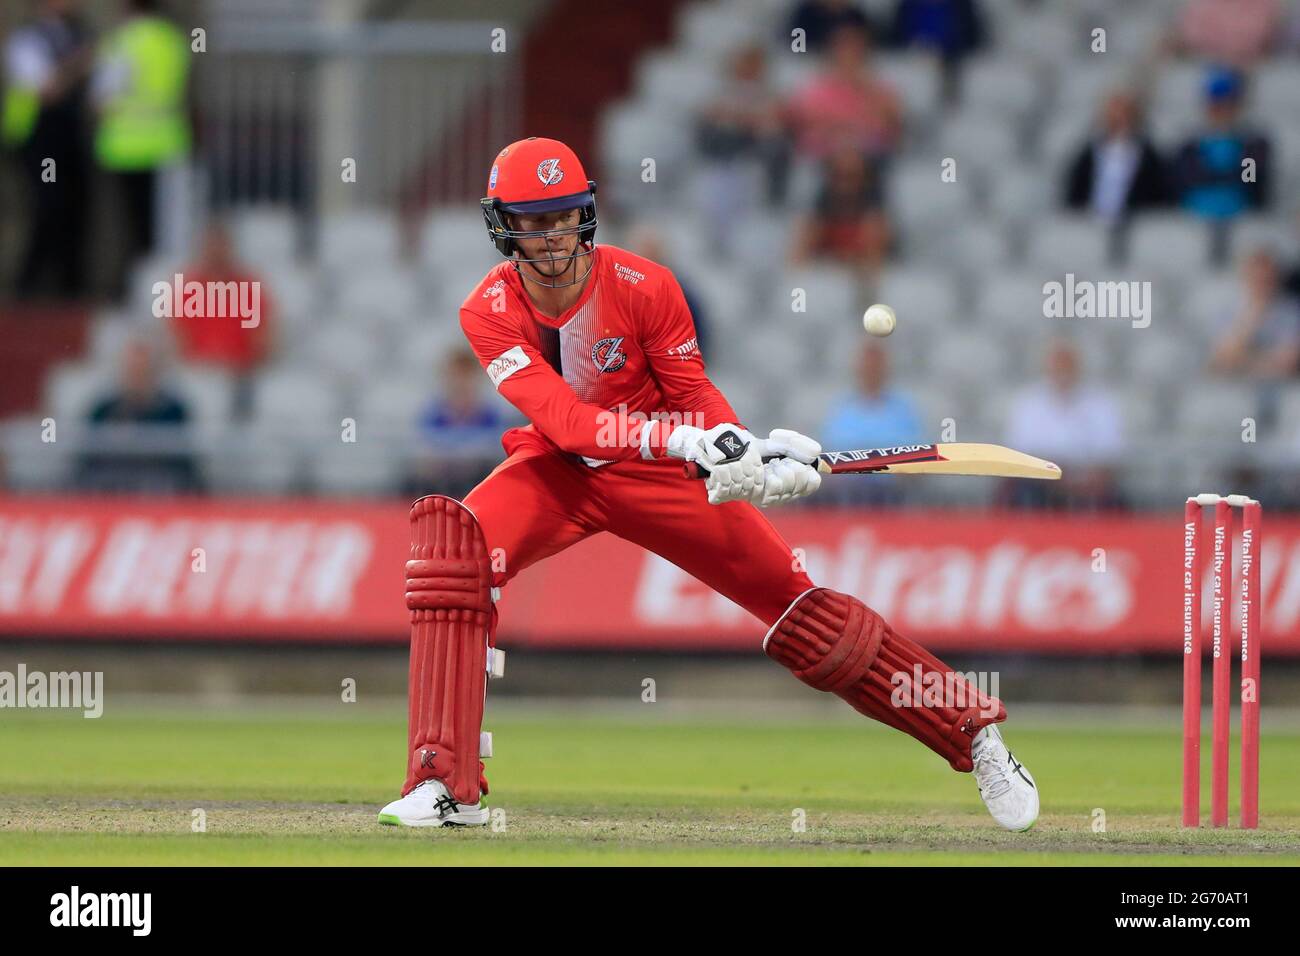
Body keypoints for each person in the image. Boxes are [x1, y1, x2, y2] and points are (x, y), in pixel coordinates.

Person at [377, 136, 1038, 833]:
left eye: (563, 216)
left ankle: (973, 732)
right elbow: (568, 424)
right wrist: (684, 438)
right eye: (534, 221)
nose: (551, 236)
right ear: (502, 224)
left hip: (661, 475)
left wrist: (744, 454)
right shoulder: (487, 310)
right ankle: (442, 784)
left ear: (585, 215)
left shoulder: (646, 286)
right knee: (455, 551)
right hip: (559, 470)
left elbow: (693, 394)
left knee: (804, 613)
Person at [92, 0, 191, 300]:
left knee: (131, 227)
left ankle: (133, 292)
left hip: (125, 146)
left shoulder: (121, 42)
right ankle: (159, 290)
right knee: (163, 228)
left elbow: (102, 98)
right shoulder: (172, 39)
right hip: (168, 142)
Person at [3, 0, 94, 300]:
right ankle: (28, 286)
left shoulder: (77, 35)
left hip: (68, 135)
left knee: (75, 206)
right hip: (39, 138)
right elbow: (47, 89)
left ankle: (72, 286)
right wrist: (79, 64)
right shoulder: (25, 41)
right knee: (49, 204)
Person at [1001, 340, 1125, 511]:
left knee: (1114, 499)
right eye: (1058, 368)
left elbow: (1109, 454)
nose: (1063, 374)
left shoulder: (1100, 403)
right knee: (1022, 492)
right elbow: (1019, 454)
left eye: (1067, 368)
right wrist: (1058, 476)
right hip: (1041, 483)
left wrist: (1082, 480)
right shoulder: (1029, 403)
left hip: (1087, 482)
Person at [75, 338, 201, 493]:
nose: (137, 376)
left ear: (154, 372)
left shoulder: (174, 411)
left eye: (143, 369)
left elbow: (187, 470)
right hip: (111, 493)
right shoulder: (102, 411)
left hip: (161, 493)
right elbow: (84, 467)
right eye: (132, 369)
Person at [787, 24, 902, 164]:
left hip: (869, 157)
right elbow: (804, 120)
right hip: (823, 156)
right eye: (844, 49)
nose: (849, 55)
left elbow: (890, 122)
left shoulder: (879, 89)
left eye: (855, 50)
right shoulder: (815, 87)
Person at [1172, 67, 1271, 224]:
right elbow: (1188, 178)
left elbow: (1250, 178)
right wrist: (1229, 175)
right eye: (1216, 104)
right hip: (1196, 215)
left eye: (1228, 103)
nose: (1222, 109)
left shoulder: (1253, 142)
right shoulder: (1189, 143)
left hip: (1240, 215)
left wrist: (1213, 175)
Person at [405, 350, 507, 500]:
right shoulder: (434, 412)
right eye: (456, 376)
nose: (460, 383)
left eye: (466, 377)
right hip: (441, 477)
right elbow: (424, 446)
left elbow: (496, 448)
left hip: (478, 478)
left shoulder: (491, 413)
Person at [1064, 90, 1171, 222]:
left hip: (1133, 222)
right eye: (1114, 114)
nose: (1119, 119)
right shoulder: (1088, 154)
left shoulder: (1149, 156)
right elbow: (1075, 194)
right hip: (1092, 221)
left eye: (1124, 113)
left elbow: (1157, 197)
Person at [789, 142, 892, 273]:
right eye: (838, 175)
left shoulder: (875, 216)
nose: (845, 184)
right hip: (826, 275)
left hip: (859, 278)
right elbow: (797, 258)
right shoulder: (817, 213)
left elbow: (875, 260)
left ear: (864, 177)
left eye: (851, 176)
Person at [1209, 248, 1300, 380]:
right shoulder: (1226, 309)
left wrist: (1240, 360)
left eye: (1266, 278)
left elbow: (1288, 362)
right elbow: (1221, 358)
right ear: (1245, 277)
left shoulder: (1291, 310)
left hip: (1279, 384)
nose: (1261, 283)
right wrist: (1253, 315)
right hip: (1236, 385)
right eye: (1256, 277)